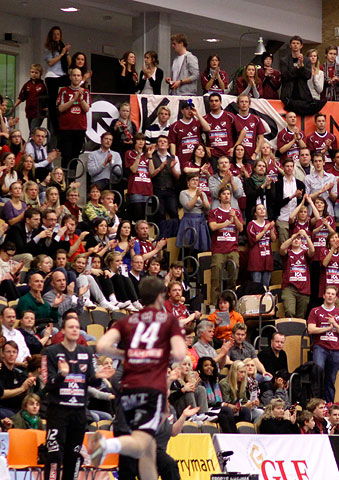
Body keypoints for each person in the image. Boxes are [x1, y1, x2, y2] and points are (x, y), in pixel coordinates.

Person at [90, 277, 188, 480]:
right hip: (152, 389)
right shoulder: (169, 322)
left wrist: (126, 355)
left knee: (140, 454)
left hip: (129, 389)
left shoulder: (127, 321)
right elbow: (179, 354)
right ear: (161, 296)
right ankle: (107, 445)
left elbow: (101, 346)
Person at [43, 315, 109, 480]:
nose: (74, 330)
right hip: (58, 412)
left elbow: (92, 381)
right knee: (54, 455)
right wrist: (61, 375)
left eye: (77, 327)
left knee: (74, 456)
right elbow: (47, 383)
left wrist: (100, 375)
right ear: (63, 330)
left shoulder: (87, 352)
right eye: (71, 327)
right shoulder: (51, 352)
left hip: (79, 412)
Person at [307, 286, 339, 402]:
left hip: (335, 349)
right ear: (324, 296)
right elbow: (311, 329)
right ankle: (316, 403)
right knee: (318, 374)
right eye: (328, 293)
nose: (330, 296)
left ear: (335, 297)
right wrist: (327, 328)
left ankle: (329, 405)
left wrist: (335, 324)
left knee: (331, 379)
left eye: (333, 294)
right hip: (320, 347)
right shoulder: (315, 311)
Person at [208, 185, 244, 301]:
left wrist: (235, 219)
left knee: (232, 279)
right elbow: (213, 227)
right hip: (218, 250)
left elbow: (241, 228)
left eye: (228, 194)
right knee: (216, 280)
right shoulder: (214, 212)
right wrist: (227, 222)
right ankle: (213, 306)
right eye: (224, 194)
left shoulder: (236, 212)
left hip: (232, 249)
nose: (227, 196)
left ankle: (231, 304)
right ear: (219, 197)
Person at [57, 68, 90, 166]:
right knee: (66, 155)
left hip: (79, 128)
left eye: (78, 75)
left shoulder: (86, 92)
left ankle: (72, 180)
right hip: (66, 129)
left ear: (81, 78)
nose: (76, 77)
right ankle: (64, 179)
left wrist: (80, 99)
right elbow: (61, 108)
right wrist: (73, 100)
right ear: (70, 77)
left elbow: (87, 108)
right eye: (74, 75)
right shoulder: (63, 90)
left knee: (75, 157)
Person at [280, 230, 315, 318]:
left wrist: (306, 236)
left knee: (301, 317)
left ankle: (298, 332)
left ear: (301, 241)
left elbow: (312, 250)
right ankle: (289, 331)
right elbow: (281, 249)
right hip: (289, 287)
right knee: (289, 311)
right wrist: (292, 237)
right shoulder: (288, 252)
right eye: (295, 239)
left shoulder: (304, 253)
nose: (296, 240)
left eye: (298, 239)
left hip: (304, 288)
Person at [43, 26, 70, 135]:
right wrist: (61, 54)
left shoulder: (62, 46)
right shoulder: (48, 48)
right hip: (52, 75)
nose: (56, 36)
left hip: (62, 74)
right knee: (53, 100)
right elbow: (50, 62)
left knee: (71, 85)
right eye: (54, 34)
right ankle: (55, 125)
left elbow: (69, 63)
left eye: (58, 34)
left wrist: (66, 53)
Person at [273, 158, 306, 243]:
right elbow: (277, 203)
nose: (289, 168)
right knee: (284, 245)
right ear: (283, 168)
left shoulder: (300, 184)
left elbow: (302, 202)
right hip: (283, 218)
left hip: (297, 219)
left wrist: (298, 197)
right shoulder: (278, 184)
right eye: (287, 166)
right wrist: (292, 196)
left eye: (291, 166)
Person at [14, 64, 48, 133]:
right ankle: (32, 142)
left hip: (38, 113)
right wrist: (14, 106)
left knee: (33, 130)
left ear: (40, 74)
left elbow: (47, 98)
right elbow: (21, 97)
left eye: (36, 72)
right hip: (29, 112)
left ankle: (31, 142)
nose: (34, 74)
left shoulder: (43, 85)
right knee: (32, 131)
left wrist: (47, 107)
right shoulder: (27, 85)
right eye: (32, 72)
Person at [233, 94, 265, 161]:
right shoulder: (234, 119)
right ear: (238, 104)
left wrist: (255, 153)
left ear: (249, 104)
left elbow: (261, 138)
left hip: (251, 156)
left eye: (246, 101)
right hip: (236, 156)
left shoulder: (256, 119)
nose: (244, 104)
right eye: (241, 102)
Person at [203, 93, 235, 160]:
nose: (214, 103)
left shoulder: (230, 116)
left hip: (227, 154)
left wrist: (234, 147)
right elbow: (196, 134)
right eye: (211, 101)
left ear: (221, 102)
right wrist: (204, 147)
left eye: (216, 101)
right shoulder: (205, 119)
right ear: (209, 103)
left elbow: (242, 132)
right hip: (213, 155)